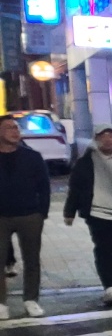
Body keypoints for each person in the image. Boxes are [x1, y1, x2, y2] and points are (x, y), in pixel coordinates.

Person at [63, 124, 112, 307]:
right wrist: (69, 211)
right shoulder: (86, 161)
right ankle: (108, 287)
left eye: (111, 135)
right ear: (96, 139)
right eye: (103, 136)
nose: (108, 139)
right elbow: (76, 187)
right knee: (103, 248)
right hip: (97, 211)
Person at [0, 114, 50, 318]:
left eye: (16, 128)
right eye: (9, 127)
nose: (15, 131)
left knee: (32, 260)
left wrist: (42, 212)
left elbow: (44, 187)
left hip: (30, 215)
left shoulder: (32, 157)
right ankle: (1, 303)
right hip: (1, 216)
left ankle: (31, 299)